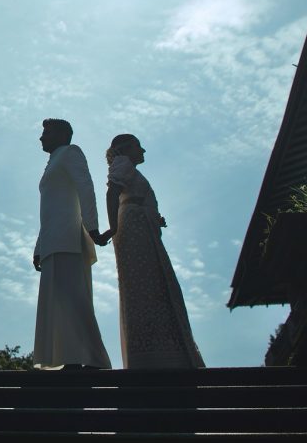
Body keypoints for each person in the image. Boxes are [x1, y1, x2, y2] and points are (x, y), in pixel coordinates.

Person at [100, 134, 204, 370]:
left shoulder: (130, 170)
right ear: (125, 149)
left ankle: (162, 350)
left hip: (141, 226)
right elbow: (112, 192)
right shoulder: (123, 163)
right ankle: (155, 354)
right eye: (138, 146)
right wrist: (113, 227)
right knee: (146, 285)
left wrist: (154, 218)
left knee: (151, 284)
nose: (143, 150)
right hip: (134, 228)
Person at [31, 118, 112, 370]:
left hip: (68, 238)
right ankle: (70, 359)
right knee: (58, 301)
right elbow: (50, 209)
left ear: (62, 134)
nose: (41, 137)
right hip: (52, 240)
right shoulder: (52, 162)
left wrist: (92, 228)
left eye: (46, 132)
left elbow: (85, 188)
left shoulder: (70, 153)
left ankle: (93, 360)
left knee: (74, 299)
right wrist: (39, 246)